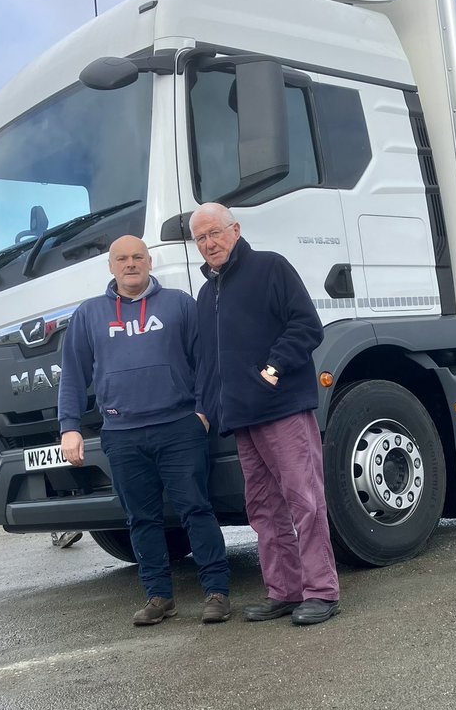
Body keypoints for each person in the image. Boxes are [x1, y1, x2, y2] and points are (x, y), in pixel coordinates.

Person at [57, 235, 231, 626]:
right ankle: (158, 597)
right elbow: (73, 375)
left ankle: (217, 591)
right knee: (141, 519)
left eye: (138, 257)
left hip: (178, 427)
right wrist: (70, 427)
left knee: (196, 510)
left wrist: (202, 411)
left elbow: (207, 361)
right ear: (111, 266)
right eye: (122, 258)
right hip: (122, 433)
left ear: (150, 262)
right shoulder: (89, 315)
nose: (130, 264)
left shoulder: (179, 305)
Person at [190, 202, 341, 626]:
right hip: (241, 419)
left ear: (235, 230)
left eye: (215, 233)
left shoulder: (270, 268)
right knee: (264, 509)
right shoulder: (206, 294)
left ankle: (322, 592)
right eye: (201, 238)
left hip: (282, 408)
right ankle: (286, 592)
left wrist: (273, 369)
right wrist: (205, 407)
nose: (209, 243)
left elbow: (307, 325)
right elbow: (208, 360)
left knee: (304, 501)